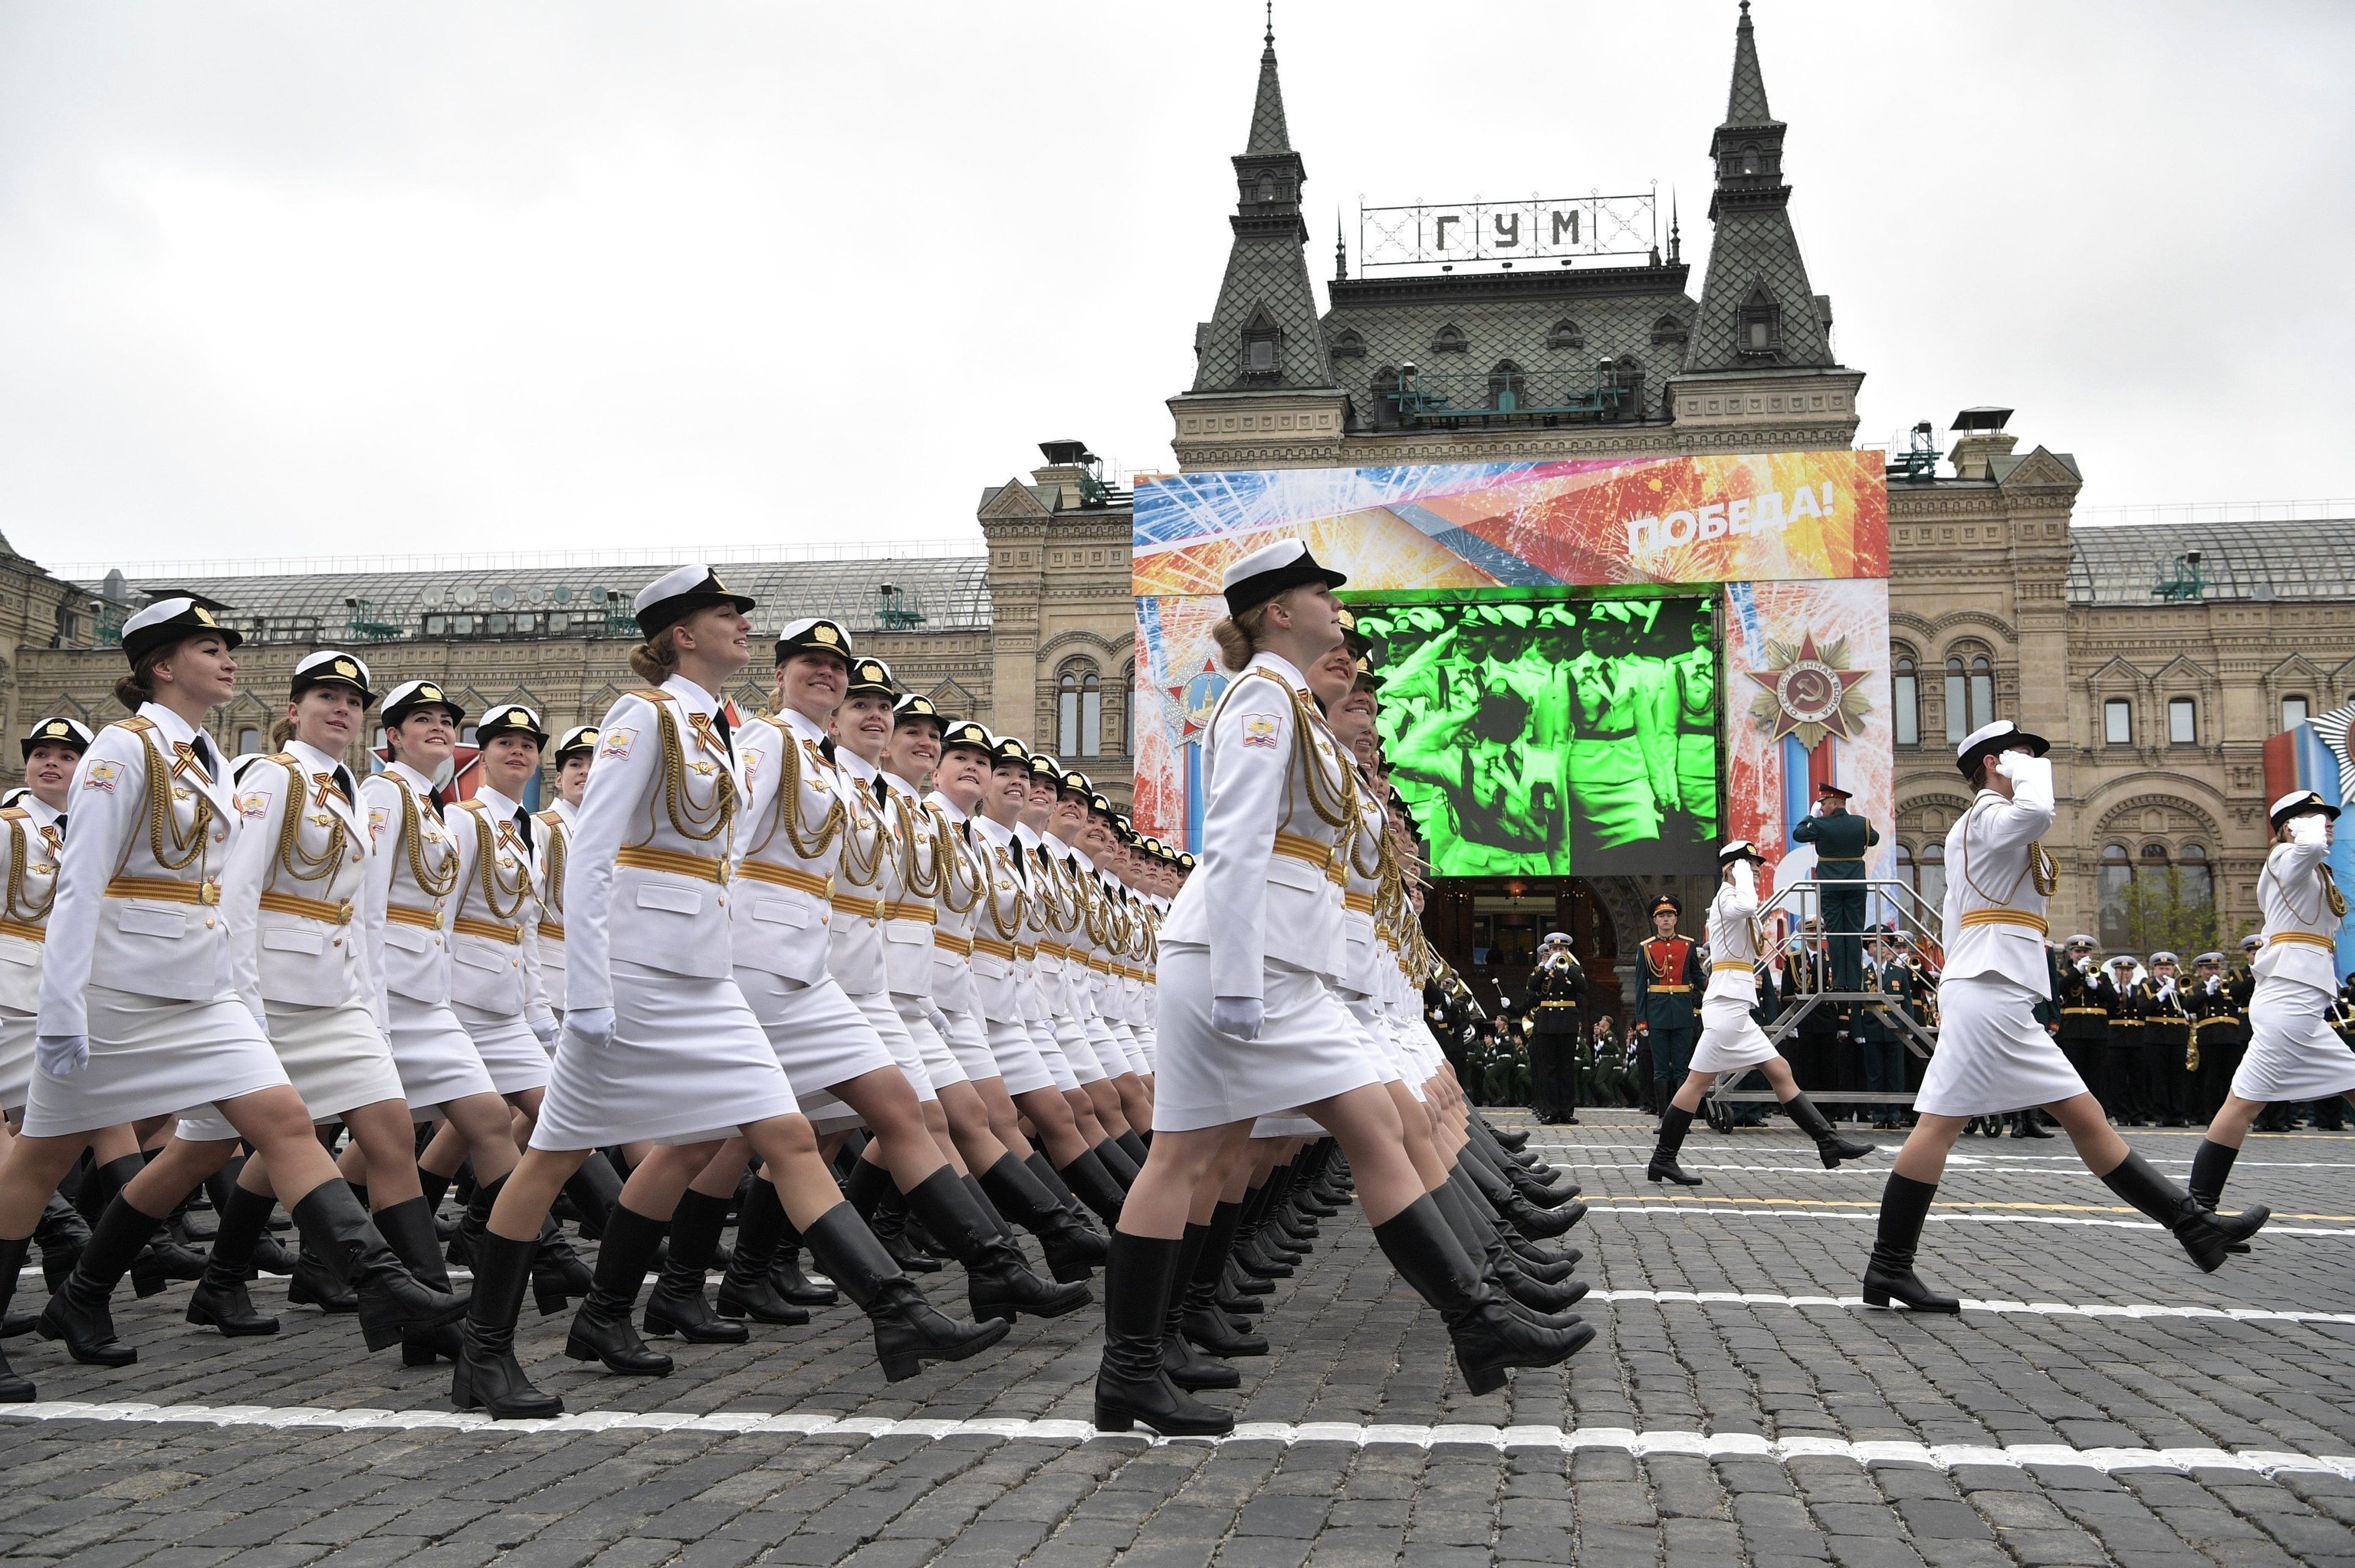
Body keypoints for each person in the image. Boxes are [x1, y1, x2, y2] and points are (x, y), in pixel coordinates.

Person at [449, 567, 1006, 1419]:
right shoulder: (646, 717)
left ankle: (898, 1313)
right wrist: (589, 993)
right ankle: (483, 1354)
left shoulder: (714, 730)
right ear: (682, 633)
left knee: (785, 1132)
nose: (741, 627)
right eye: (724, 616)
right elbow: (594, 853)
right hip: (637, 974)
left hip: (704, 976)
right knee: (552, 1157)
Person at [1093, 538, 1586, 1439]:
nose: (1336, 609)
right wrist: (1241, 981)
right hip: (1247, 966)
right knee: (1361, 1126)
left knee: (1188, 1160)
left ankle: (1132, 1373)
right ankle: (1476, 1320)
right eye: (1322, 593)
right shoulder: (1260, 699)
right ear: (1278, 610)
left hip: (1263, 961)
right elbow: (1234, 839)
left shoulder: (1289, 706)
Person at [0, 600, 463, 1396]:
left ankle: (383, 1280)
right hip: (120, 988)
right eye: (208, 648)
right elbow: (80, 883)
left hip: (201, 990)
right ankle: (74, 1302)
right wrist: (63, 1008)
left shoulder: (204, 754)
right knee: (39, 1159)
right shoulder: (124, 747)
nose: (228, 660)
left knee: (283, 1121)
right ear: (161, 665)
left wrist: (235, 993)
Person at [1858, 721, 2268, 1314]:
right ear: (1996, 762)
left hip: (1991, 987)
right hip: (1988, 991)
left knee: (2069, 1118)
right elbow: (2039, 813)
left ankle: (2192, 1226)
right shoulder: (1988, 817)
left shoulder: (1992, 824)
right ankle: (2190, 1225)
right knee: (1975, 1125)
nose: (2034, 764)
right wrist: (2026, 777)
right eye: (2023, 755)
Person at [1644, 841, 1879, 1186]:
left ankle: (1827, 1142)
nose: (1756, 869)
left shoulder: (1732, 896)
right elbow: (1748, 904)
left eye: (1756, 865)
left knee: (1777, 1069)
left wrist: (1743, 871)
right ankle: (1663, 1158)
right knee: (1698, 1081)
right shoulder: (1728, 896)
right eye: (1749, 864)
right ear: (1731, 868)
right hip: (1727, 1003)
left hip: (1734, 1002)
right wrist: (1741, 874)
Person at [2186, 790, 2355, 1217]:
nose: (2327, 823)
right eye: (2315, 816)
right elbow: (2312, 843)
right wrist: (2306, 831)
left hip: (2301, 999)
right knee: (2243, 1103)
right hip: (2288, 998)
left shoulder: (2310, 867)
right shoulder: (2285, 858)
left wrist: (2309, 828)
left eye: (2328, 816)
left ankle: (2198, 1209)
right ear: (2288, 827)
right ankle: (2197, 1211)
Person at [1793, 782, 1879, 997]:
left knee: (1835, 933)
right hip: (1855, 885)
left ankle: (1840, 982)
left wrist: (1810, 817)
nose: (1821, 809)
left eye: (1823, 805)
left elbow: (1799, 834)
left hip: (1830, 886)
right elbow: (1874, 839)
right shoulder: (1862, 823)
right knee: (1853, 932)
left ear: (1833, 804)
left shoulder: (1821, 825)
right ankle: (1855, 983)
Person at [1634, 896, 1701, 1107]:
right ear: (1655, 920)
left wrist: (1715, 982)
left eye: (1669, 915)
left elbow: (1697, 975)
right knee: (1661, 1067)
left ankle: (1679, 1117)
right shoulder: (1646, 948)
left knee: (1682, 1067)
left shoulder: (1687, 945)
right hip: (1657, 1013)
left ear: (1676, 919)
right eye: (1661, 916)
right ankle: (1664, 1116)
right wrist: (1641, 1019)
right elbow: (1639, 988)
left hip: (1682, 1010)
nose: (1665, 919)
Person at [1521, 933, 1583, 1124]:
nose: (1558, 952)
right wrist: (1546, 967)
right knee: (1549, 1069)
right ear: (1549, 951)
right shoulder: (1542, 971)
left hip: (1567, 1022)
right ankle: (1550, 1110)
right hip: (1547, 1022)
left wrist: (1566, 970)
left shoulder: (1573, 969)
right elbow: (1532, 987)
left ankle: (1566, 1111)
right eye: (1554, 950)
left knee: (1566, 1068)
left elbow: (1583, 988)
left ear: (1567, 951)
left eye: (1561, 949)